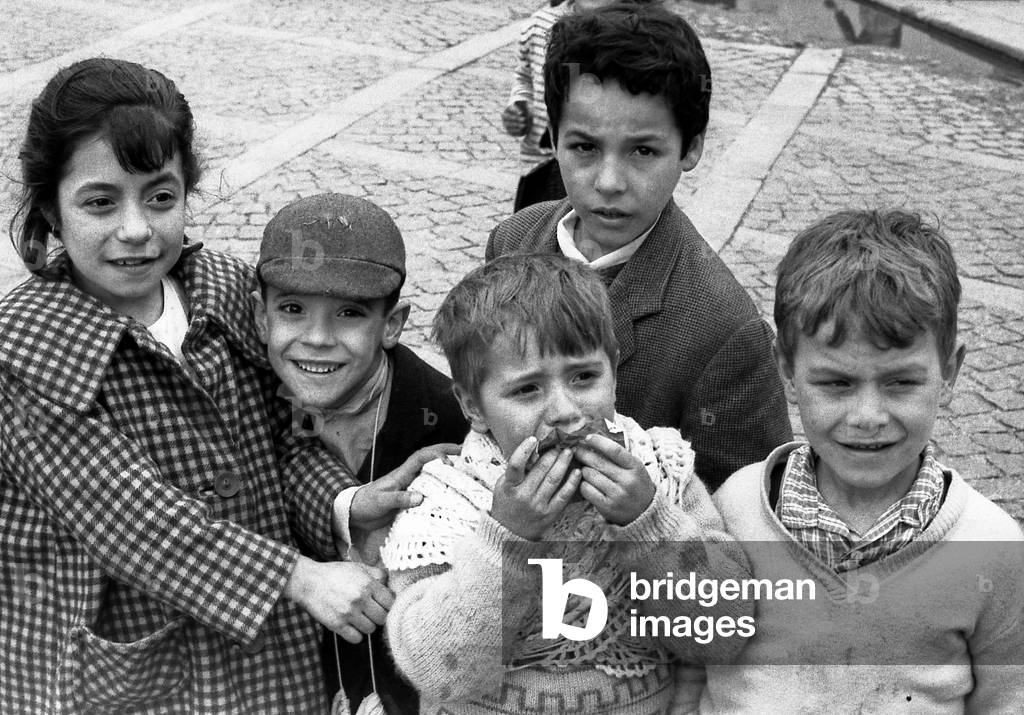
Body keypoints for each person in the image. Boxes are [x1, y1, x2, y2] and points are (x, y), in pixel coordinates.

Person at [0, 58, 425, 713]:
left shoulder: (223, 293)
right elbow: (132, 518)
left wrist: (345, 504)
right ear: (51, 208)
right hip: (135, 671)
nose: (137, 229)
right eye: (100, 201)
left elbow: (285, 445)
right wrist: (301, 577)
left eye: (159, 196)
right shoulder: (26, 351)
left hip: (268, 664)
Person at [379, 254, 754, 715]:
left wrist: (649, 524)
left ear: (613, 369)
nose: (564, 411)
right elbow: (439, 671)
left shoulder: (662, 471)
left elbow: (723, 636)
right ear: (473, 406)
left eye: (584, 377)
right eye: (527, 390)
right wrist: (506, 542)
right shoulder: (445, 502)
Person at [693, 209, 1024, 712]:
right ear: (786, 366)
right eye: (836, 383)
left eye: (901, 382)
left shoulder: (996, 552)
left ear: (950, 372)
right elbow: (688, 663)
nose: (868, 416)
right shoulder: (733, 511)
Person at [487, 2, 792, 491]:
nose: (609, 182)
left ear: (691, 147)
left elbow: (742, 507)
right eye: (584, 147)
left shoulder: (723, 329)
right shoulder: (513, 240)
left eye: (643, 151)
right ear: (555, 136)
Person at [253, 193, 467, 715]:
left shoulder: (448, 424)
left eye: (349, 313)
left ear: (392, 323)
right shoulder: (248, 396)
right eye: (292, 309)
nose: (317, 339)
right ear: (261, 318)